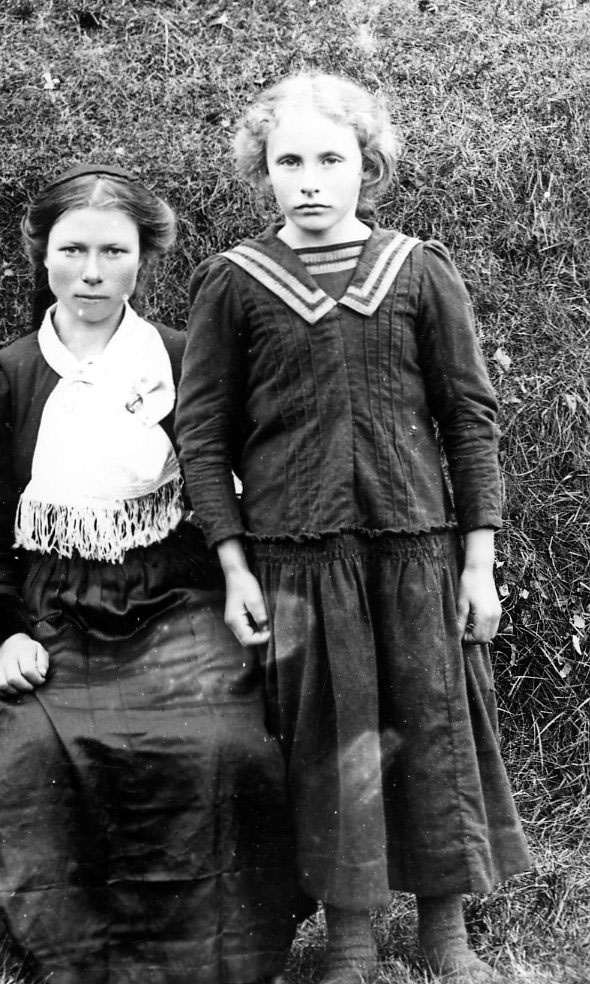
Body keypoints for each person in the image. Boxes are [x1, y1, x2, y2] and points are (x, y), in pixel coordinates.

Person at [175, 74, 531, 984]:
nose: (309, 180)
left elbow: (469, 420)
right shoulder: (235, 282)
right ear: (261, 170)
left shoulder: (417, 270)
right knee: (331, 747)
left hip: (416, 552)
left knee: (433, 730)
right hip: (298, 562)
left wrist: (479, 562)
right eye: (288, 160)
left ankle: (446, 932)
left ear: (366, 166)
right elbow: (202, 435)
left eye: (330, 159)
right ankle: (350, 942)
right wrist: (235, 567)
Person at [0, 162, 306, 984]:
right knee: (27, 753)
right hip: (51, 608)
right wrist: (3, 635)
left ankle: (211, 950)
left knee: (225, 748)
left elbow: (227, 483)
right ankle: (57, 951)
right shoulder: (1, 373)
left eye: (114, 251)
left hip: (176, 599)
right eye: (73, 250)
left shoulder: (183, 358)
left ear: (145, 257)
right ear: (43, 256)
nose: (92, 272)